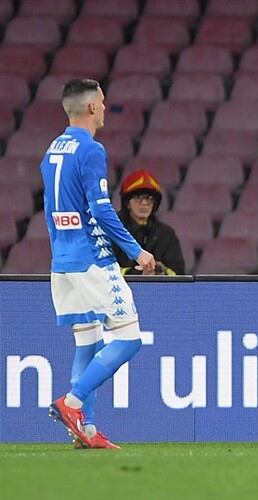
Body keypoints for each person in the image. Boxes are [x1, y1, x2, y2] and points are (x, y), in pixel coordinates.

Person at [42, 79, 156, 449]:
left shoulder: (51, 151)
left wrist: (61, 251)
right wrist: (136, 251)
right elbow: (102, 209)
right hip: (92, 260)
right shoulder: (90, 149)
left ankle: (85, 430)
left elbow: (49, 210)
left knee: (87, 342)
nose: (105, 108)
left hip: (63, 262)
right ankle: (73, 403)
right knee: (129, 338)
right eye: (103, 103)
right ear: (91, 108)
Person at [114, 169, 185, 275]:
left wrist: (161, 271)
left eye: (149, 198)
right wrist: (137, 273)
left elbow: (179, 272)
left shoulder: (166, 234)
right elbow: (103, 270)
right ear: (127, 203)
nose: (144, 203)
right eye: (138, 198)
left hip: (158, 290)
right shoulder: (113, 231)